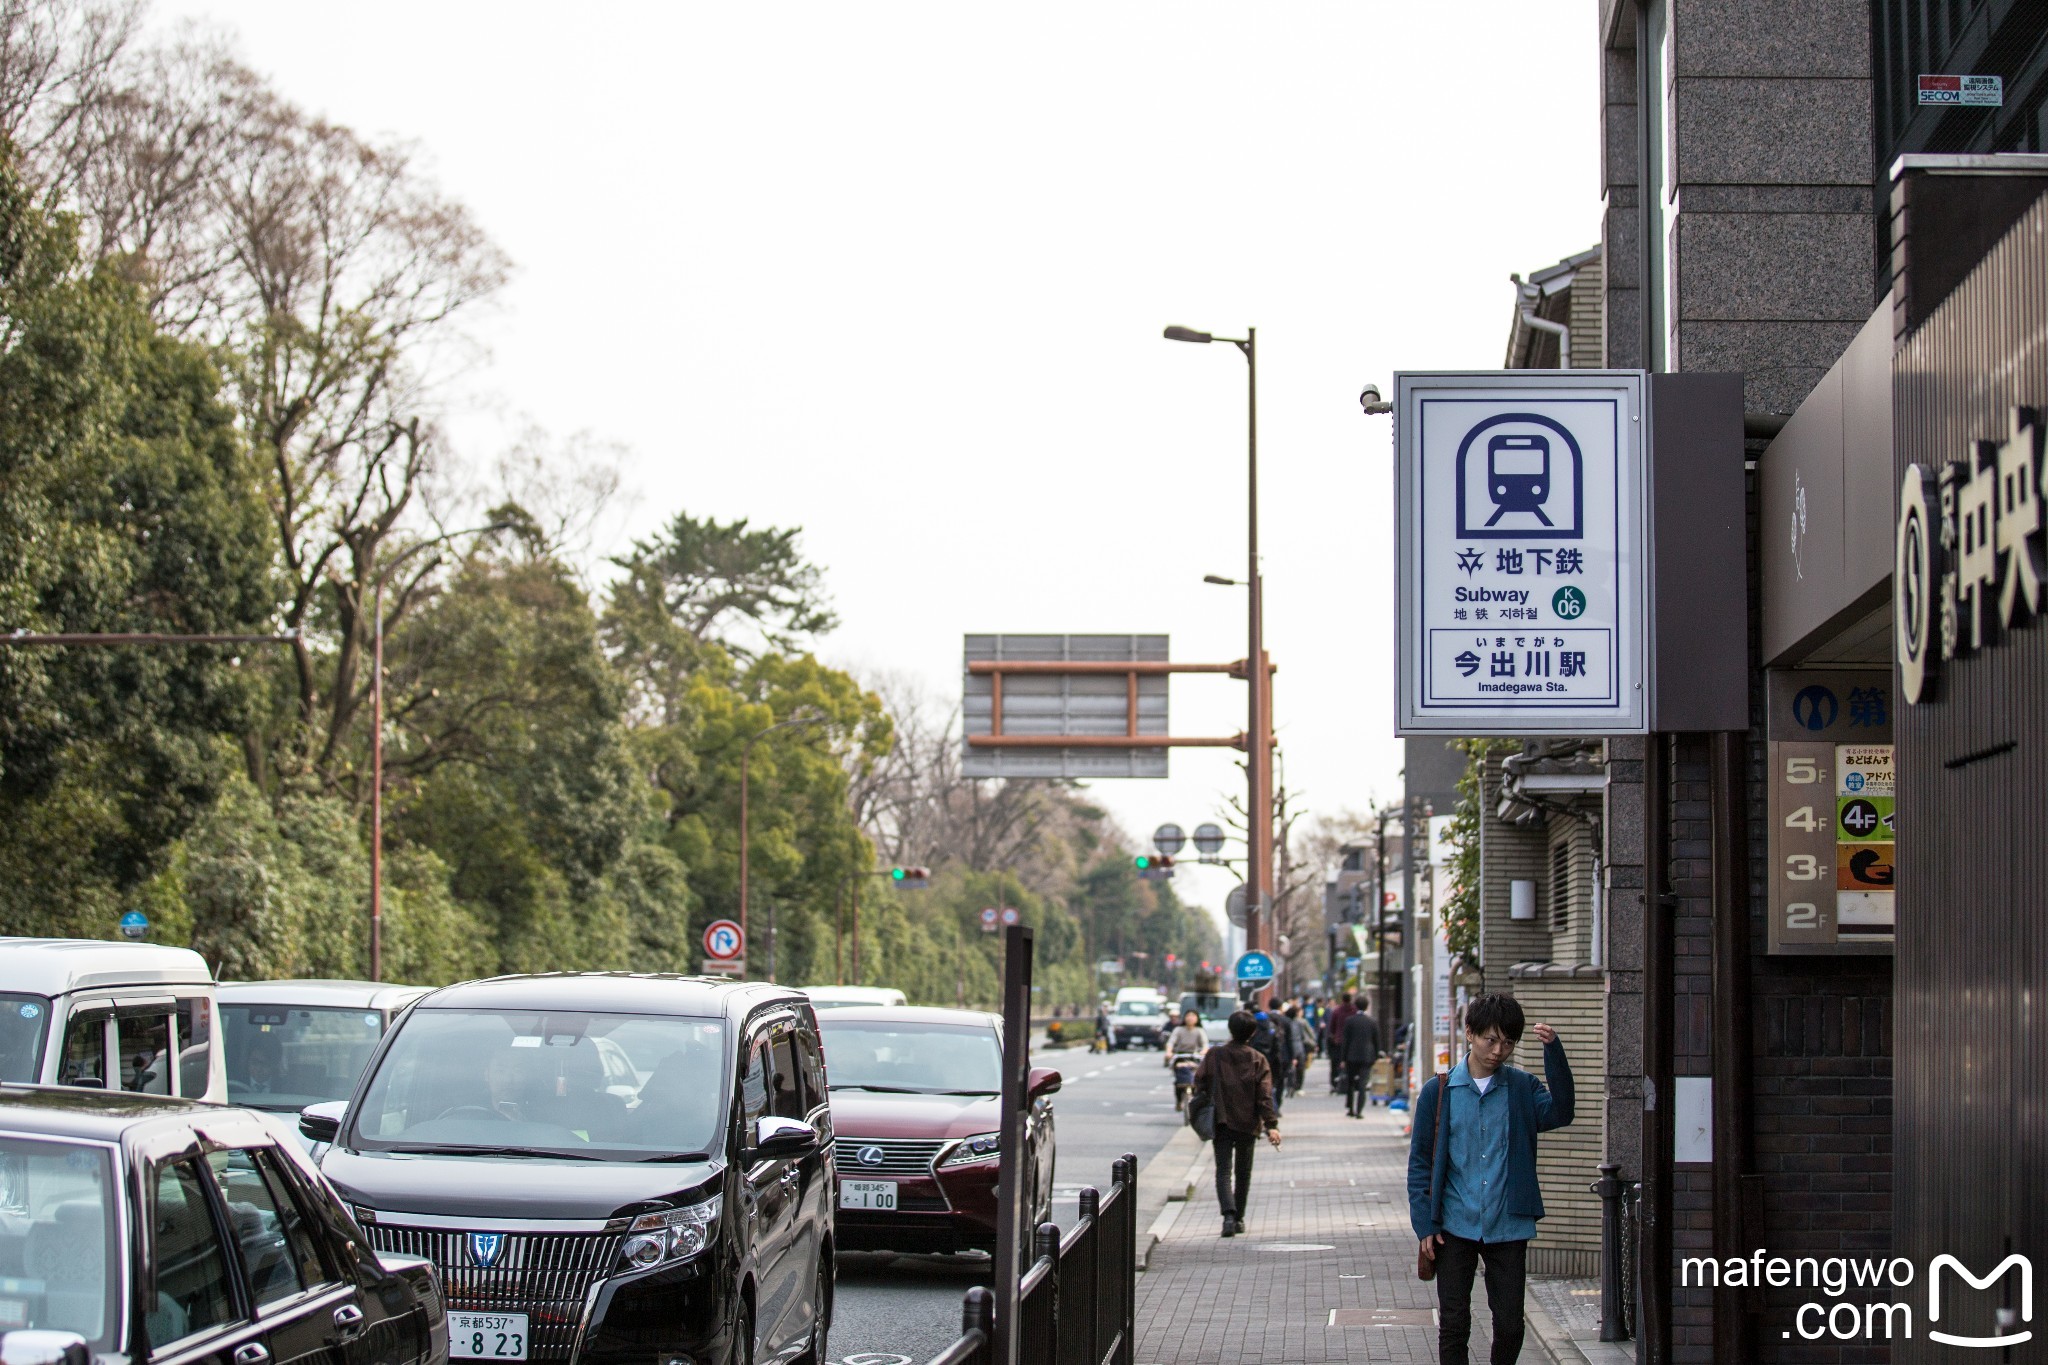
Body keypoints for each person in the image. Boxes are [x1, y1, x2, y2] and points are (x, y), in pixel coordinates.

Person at [1408, 994, 1574, 1365]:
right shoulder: (1439, 1091)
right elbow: (1420, 1164)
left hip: (1508, 1223)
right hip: (1454, 1224)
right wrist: (1424, 1225)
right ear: (1470, 1033)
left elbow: (1562, 1113)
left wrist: (1554, 1054)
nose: (1499, 1050)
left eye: (1508, 1042)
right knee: (1454, 1324)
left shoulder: (1521, 1088)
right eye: (1491, 1039)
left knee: (1511, 1324)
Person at [1192, 1010, 1281, 1237]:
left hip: (1221, 1119)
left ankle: (1228, 1217)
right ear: (1252, 1032)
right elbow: (1264, 1095)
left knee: (1223, 1171)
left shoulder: (1215, 1055)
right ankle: (1239, 1217)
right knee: (1243, 1172)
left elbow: (1199, 1081)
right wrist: (1271, 1124)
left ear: (1230, 1029)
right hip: (1248, 1123)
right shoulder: (1257, 1059)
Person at [1340, 998, 1382, 1116]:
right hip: (1367, 1056)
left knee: (1351, 1083)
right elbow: (1376, 1041)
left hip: (1351, 1056)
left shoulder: (1350, 1021)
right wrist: (1376, 1055)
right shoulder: (1372, 1021)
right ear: (1367, 1006)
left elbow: (1345, 1041)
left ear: (1356, 1006)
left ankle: (1350, 1109)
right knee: (1363, 1084)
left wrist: (1343, 1058)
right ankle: (1360, 1111)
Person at [1248, 1007, 1292, 1116]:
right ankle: (1273, 1112)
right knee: (1269, 1089)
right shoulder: (1272, 1030)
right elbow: (1277, 1049)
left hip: (1254, 1063)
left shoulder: (1251, 1029)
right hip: (1270, 1062)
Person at [1324, 991, 1357, 1093]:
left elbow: (1332, 1027)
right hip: (1352, 1042)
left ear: (1342, 1000)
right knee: (1350, 1063)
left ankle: (1335, 1084)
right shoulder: (1354, 1010)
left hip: (1338, 1041)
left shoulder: (1337, 1011)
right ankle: (1350, 1083)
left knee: (1336, 1064)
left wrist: (1332, 1037)